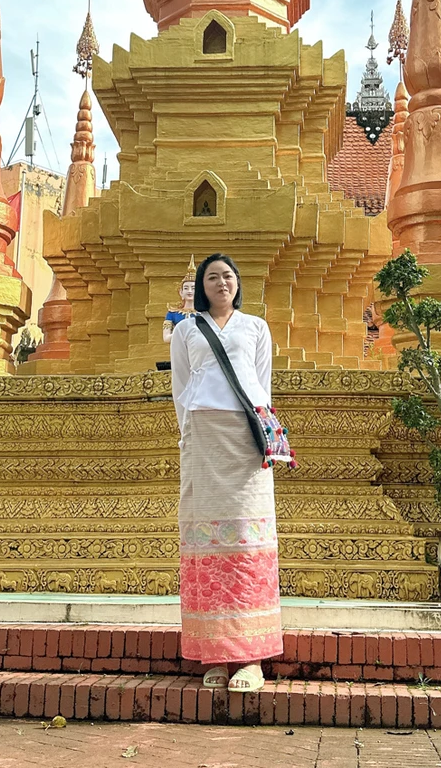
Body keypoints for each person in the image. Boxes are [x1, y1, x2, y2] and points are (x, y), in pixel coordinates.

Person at [169, 253, 282, 693]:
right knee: (206, 542)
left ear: (238, 284)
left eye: (228, 276)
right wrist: (187, 435)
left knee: (247, 539)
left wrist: (261, 434)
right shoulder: (185, 330)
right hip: (202, 433)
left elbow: (262, 383)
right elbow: (181, 388)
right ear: (201, 285)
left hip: (244, 436)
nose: (221, 282)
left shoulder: (255, 326)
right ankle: (215, 654)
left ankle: (250, 657)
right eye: (213, 277)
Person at [162, 255, 197, 344]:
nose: (189, 291)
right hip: (178, 349)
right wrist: (183, 333)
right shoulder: (172, 313)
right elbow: (166, 338)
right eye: (186, 288)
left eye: (193, 288)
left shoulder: (205, 313)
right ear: (181, 292)